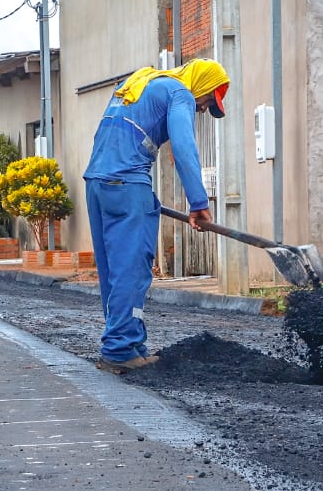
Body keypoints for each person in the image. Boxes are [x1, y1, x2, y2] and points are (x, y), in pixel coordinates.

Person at [83, 58, 229, 374]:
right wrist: (198, 202)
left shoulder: (141, 81)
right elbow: (184, 147)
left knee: (113, 271)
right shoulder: (180, 93)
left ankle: (129, 343)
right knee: (132, 269)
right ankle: (120, 350)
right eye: (207, 101)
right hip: (126, 183)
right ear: (200, 86)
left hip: (97, 183)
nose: (203, 109)